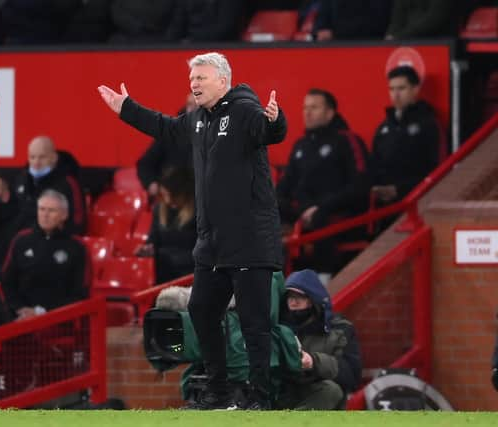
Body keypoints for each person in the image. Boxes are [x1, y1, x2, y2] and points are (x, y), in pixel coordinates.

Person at [98, 51, 287, 410]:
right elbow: (166, 128)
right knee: (201, 309)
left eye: (200, 78)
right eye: (191, 79)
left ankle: (261, 399)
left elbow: (268, 131)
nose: (193, 84)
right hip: (211, 243)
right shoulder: (198, 118)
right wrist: (127, 108)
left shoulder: (246, 109)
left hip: (248, 240)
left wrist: (276, 121)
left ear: (222, 80)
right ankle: (218, 392)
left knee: (255, 323)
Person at [276, 89, 369, 273]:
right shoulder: (300, 145)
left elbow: (360, 185)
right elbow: (285, 185)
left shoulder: (348, 140)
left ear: (330, 112)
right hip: (302, 211)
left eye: (314, 108)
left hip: (336, 212)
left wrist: (322, 207)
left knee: (320, 219)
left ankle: (324, 278)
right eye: (305, 108)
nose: (307, 113)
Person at [276, 269, 362, 410]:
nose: (293, 302)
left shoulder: (340, 329)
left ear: (312, 300)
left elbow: (351, 375)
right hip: (284, 391)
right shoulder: (279, 327)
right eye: (290, 296)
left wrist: (313, 362)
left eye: (300, 297)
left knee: (331, 390)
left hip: (318, 393)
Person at [2, 190, 88, 320]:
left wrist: (42, 311)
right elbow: (7, 281)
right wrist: (20, 309)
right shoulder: (21, 240)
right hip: (20, 316)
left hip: (59, 319)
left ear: (64, 215)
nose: (45, 215)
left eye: (51, 210)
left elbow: (80, 292)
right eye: (41, 209)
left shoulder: (77, 246)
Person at [370, 66, 444, 208]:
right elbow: (373, 163)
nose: (395, 95)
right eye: (391, 89)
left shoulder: (429, 123)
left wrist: (400, 190)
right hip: (383, 205)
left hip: (417, 202)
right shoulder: (384, 127)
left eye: (401, 88)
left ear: (415, 89)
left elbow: (438, 169)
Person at [14, 135, 86, 235]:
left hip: (57, 241)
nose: (36, 162)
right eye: (32, 157)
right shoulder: (22, 179)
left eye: (42, 157)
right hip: (24, 241)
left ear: (54, 158)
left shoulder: (68, 183)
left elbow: (77, 221)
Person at [136, 167, 196, 284]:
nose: (168, 200)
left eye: (173, 195)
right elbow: (153, 240)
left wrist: (166, 256)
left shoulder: (198, 213)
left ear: (185, 193)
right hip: (163, 274)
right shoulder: (159, 209)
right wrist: (147, 249)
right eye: (165, 195)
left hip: (188, 274)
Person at [136, 94, 196, 198]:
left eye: (198, 106)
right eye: (190, 105)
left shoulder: (217, 134)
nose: (193, 110)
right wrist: (151, 184)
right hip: (171, 196)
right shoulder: (171, 132)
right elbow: (145, 164)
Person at [314, 0, 392, 41]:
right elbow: (323, 13)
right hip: (337, 44)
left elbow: (384, 19)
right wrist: (322, 27)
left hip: (374, 43)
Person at [385, 0, 454, 40]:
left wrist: (399, 37)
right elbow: (397, 20)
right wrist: (390, 35)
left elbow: (433, 20)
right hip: (404, 42)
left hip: (437, 43)